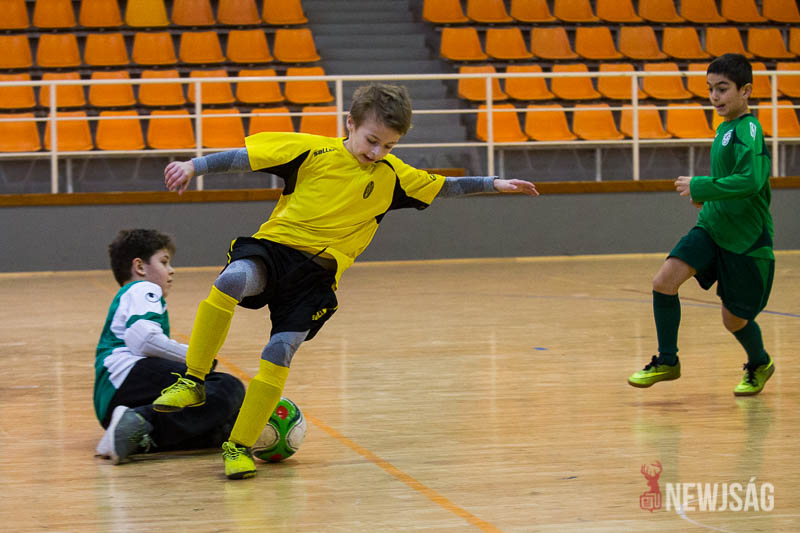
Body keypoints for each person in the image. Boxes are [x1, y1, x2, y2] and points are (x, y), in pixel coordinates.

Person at [151, 83, 540, 479]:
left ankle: (238, 447)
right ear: (350, 123)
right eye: (372, 141)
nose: (377, 152)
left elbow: (445, 185)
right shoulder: (311, 151)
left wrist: (495, 183)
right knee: (231, 281)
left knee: (280, 351)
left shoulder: (394, 176)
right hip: (276, 250)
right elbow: (243, 158)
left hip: (316, 278)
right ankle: (193, 379)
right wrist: (194, 166)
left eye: (389, 146)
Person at [627, 54, 775, 397]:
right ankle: (667, 361)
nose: (714, 96)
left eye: (722, 89)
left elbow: (751, 180)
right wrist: (708, 200)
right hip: (711, 227)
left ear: (746, 90)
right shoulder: (724, 129)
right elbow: (731, 183)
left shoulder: (749, 129)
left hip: (746, 240)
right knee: (664, 281)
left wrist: (701, 186)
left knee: (733, 319)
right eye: (710, 89)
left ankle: (760, 362)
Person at [94, 229, 245, 464]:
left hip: (112, 400)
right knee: (226, 387)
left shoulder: (129, 295)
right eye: (164, 262)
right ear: (140, 267)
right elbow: (144, 339)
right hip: (125, 376)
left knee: (214, 429)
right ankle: (142, 419)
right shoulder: (143, 288)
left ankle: (134, 434)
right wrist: (197, 359)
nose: (171, 270)